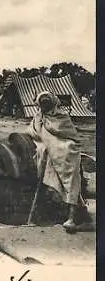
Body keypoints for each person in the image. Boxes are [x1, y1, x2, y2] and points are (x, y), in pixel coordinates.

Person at [26, 91, 87, 231]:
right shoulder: (38, 116)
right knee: (47, 166)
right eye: (42, 105)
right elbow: (33, 132)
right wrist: (44, 144)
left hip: (66, 150)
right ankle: (66, 212)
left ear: (53, 103)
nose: (44, 108)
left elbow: (71, 137)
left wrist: (57, 146)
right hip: (48, 150)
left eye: (47, 104)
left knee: (70, 177)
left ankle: (71, 217)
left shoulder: (62, 117)